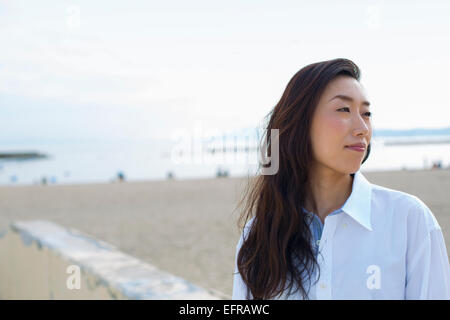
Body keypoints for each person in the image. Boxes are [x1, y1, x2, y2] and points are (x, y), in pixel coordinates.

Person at [232, 58, 450, 300]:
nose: (362, 128)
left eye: (366, 113)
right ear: (300, 124)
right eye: (344, 110)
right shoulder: (260, 232)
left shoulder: (410, 219)